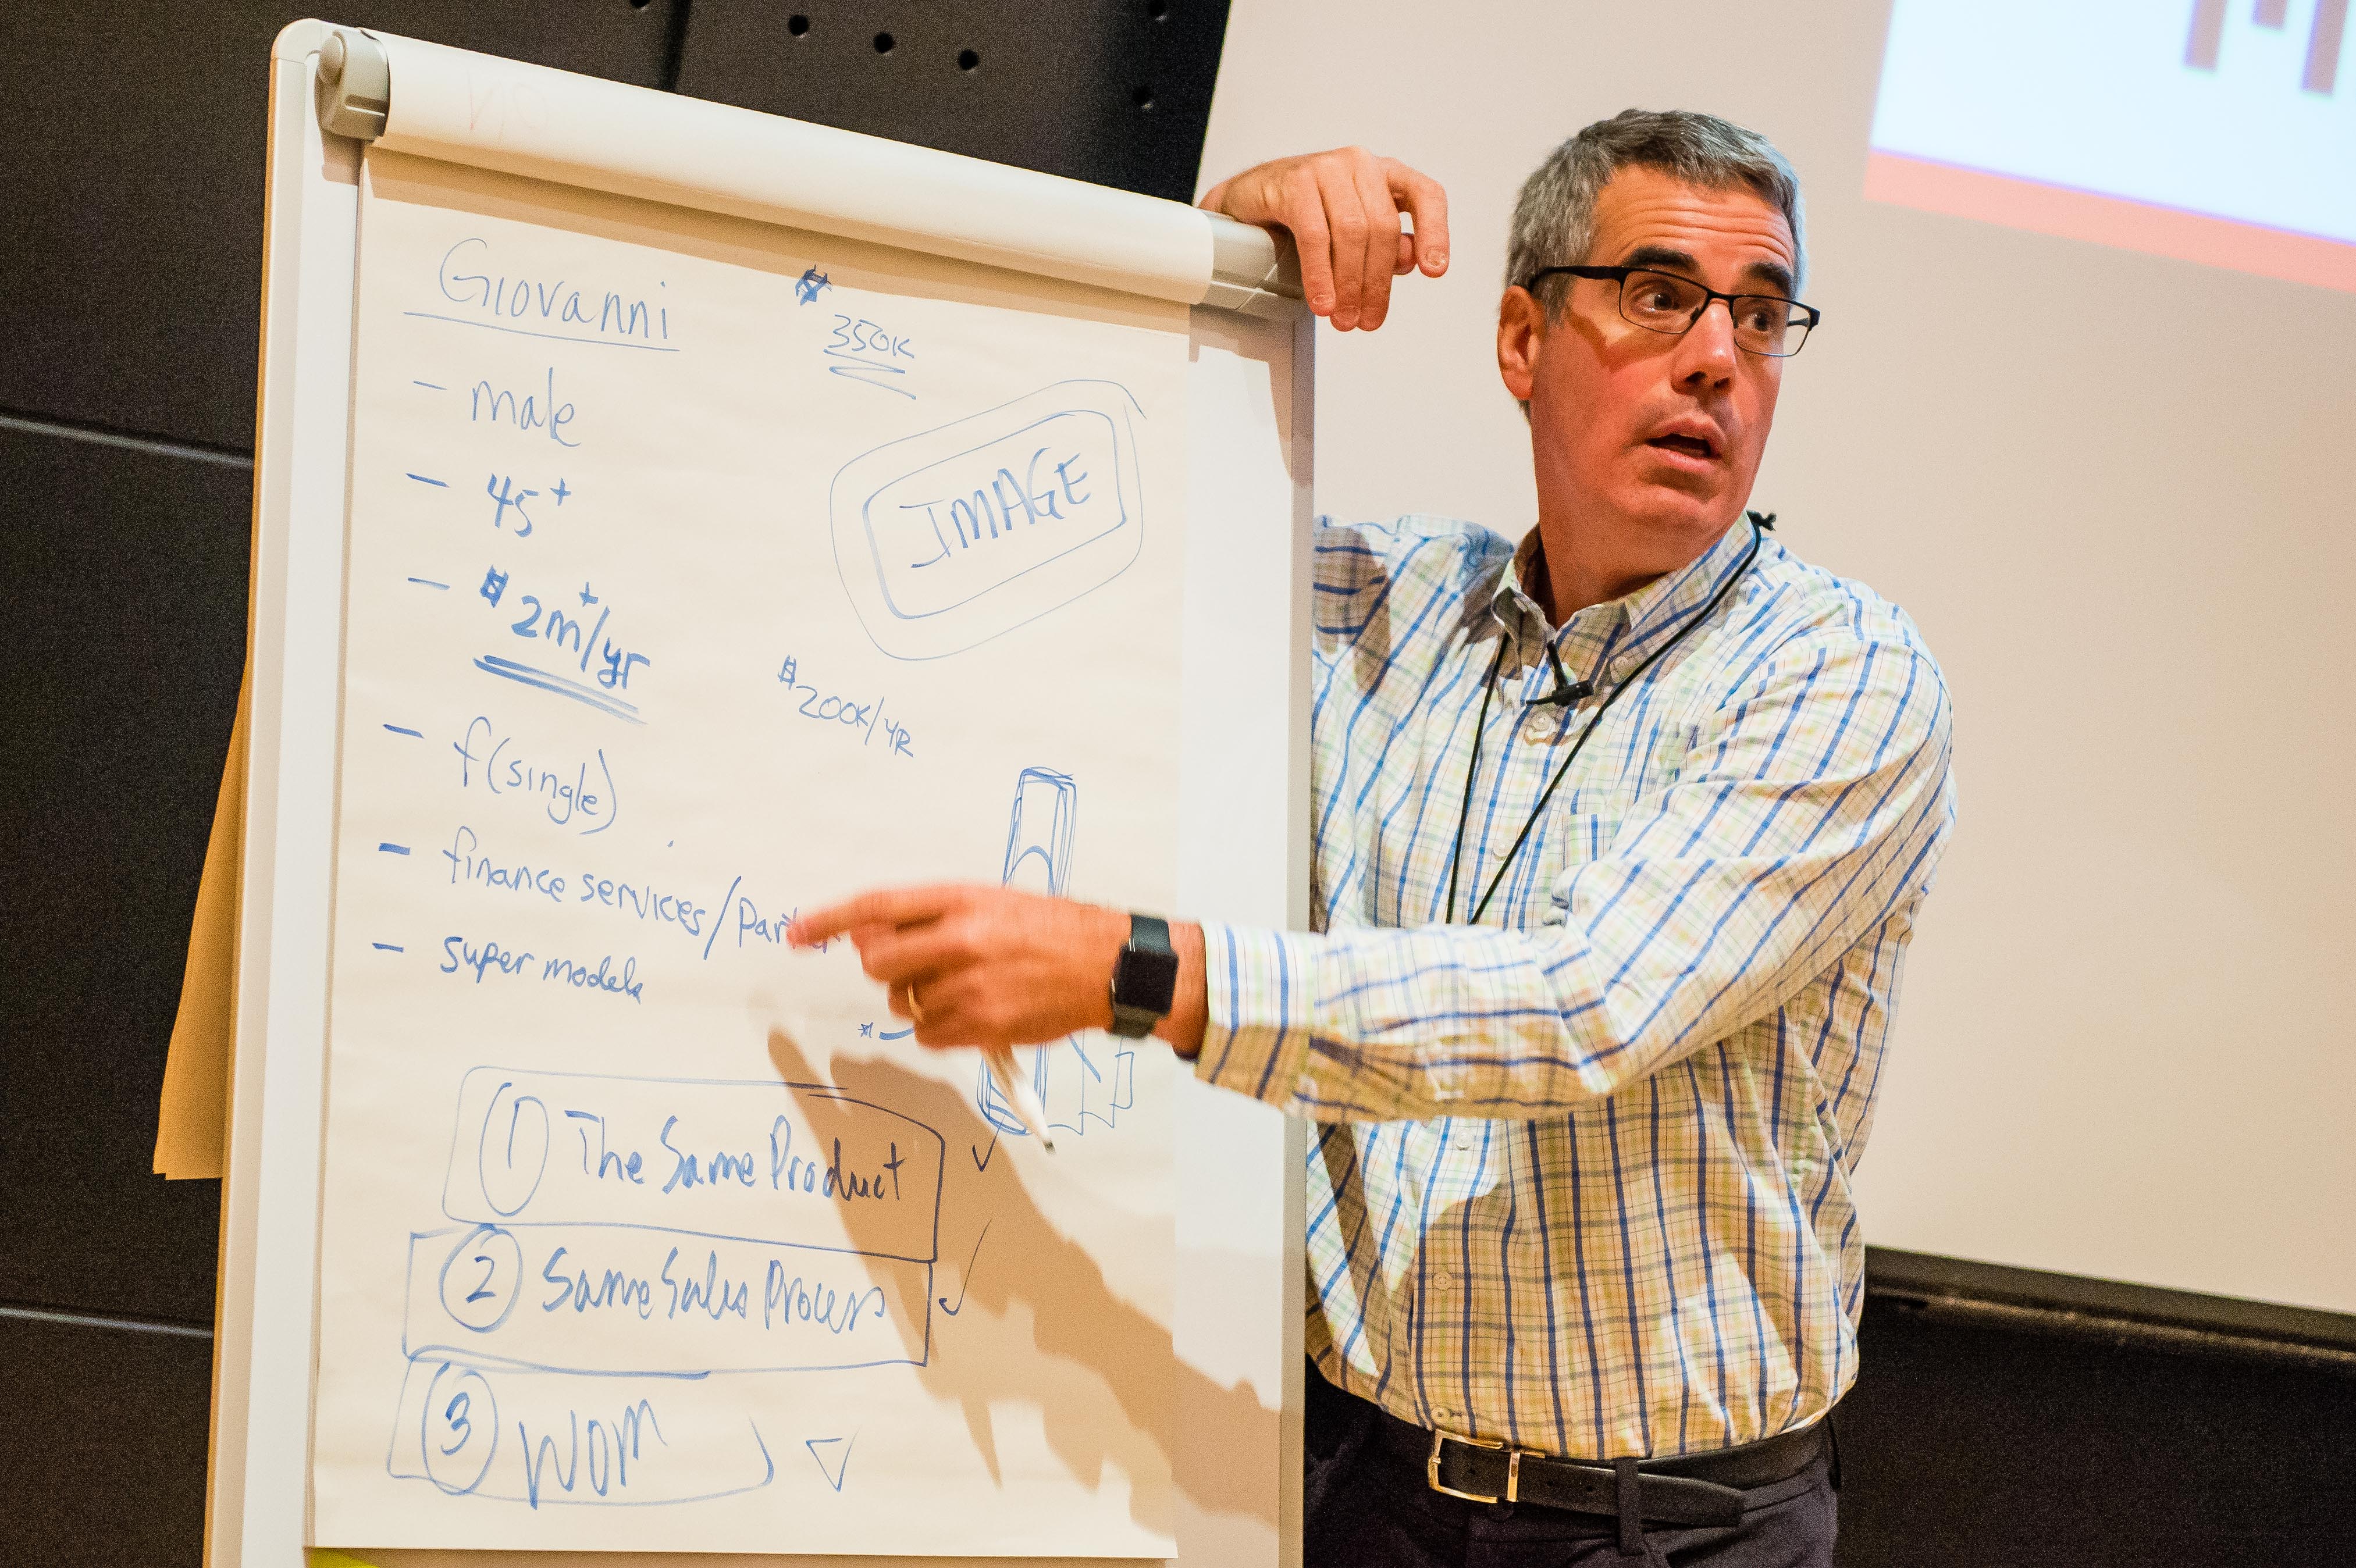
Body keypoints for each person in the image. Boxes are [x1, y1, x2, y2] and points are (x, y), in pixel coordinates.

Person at [794, 109, 1956, 1566]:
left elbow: (1582, 1005)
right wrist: (1224, 243)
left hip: (1665, 1530)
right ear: (1523, 340)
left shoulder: (1844, 676)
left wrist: (1139, 973)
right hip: (1351, 1485)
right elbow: (1053, 484)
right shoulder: (1371, 606)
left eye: (1763, 315)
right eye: (1660, 296)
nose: (1719, 356)